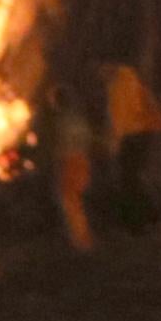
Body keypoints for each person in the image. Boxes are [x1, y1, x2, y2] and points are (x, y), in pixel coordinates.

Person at [99, 58, 161, 235]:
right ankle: (148, 217)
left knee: (129, 179)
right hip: (139, 133)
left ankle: (139, 221)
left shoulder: (120, 83)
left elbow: (119, 115)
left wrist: (114, 143)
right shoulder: (127, 78)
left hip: (133, 135)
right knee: (132, 178)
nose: (100, 75)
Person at [46, 74, 98, 255]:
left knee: (70, 202)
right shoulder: (78, 119)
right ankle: (83, 239)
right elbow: (88, 140)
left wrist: (57, 163)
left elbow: (61, 147)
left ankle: (81, 242)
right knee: (76, 201)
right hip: (82, 160)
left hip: (69, 162)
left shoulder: (62, 122)